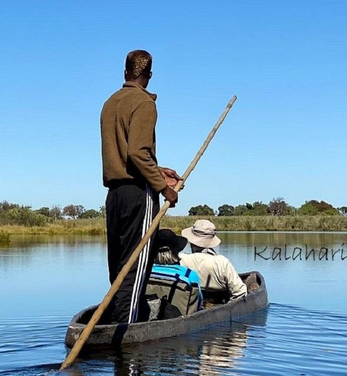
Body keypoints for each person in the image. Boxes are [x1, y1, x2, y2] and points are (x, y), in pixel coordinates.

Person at [101, 49, 181, 324]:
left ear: (125, 72)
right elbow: (136, 153)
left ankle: (116, 323)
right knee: (135, 269)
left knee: (119, 268)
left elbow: (125, 155)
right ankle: (129, 333)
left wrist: (157, 169)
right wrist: (163, 186)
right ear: (149, 75)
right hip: (138, 194)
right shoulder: (144, 103)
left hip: (115, 196)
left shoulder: (111, 102)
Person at [177, 219, 247, 302]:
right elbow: (240, 292)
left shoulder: (181, 259)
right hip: (218, 301)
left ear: (191, 241)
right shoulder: (222, 262)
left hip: (191, 303)